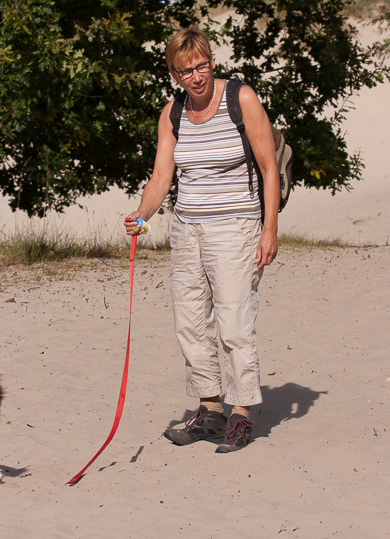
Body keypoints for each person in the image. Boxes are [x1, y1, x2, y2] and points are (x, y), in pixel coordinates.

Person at [124, 26, 279, 453]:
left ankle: (242, 414)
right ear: (174, 75)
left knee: (233, 322)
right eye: (186, 70)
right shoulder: (172, 113)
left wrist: (269, 230)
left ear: (212, 61)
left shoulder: (240, 99)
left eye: (202, 65)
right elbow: (161, 176)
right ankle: (210, 410)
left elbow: (269, 168)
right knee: (190, 323)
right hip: (187, 229)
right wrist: (141, 214)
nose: (197, 76)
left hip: (236, 228)